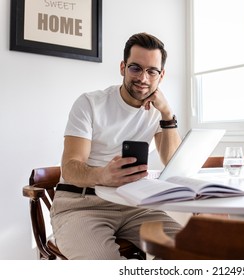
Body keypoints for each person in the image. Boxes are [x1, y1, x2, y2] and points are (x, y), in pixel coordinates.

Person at [50, 32, 183, 259]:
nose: (143, 78)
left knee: (190, 250)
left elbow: (173, 164)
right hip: (82, 205)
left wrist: (168, 114)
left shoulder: (159, 111)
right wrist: (103, 175)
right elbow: (70, 168)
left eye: (152, 71)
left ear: (161, 75)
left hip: (135, 205)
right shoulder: (90, 103)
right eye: (135, 68)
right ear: (122, 67)